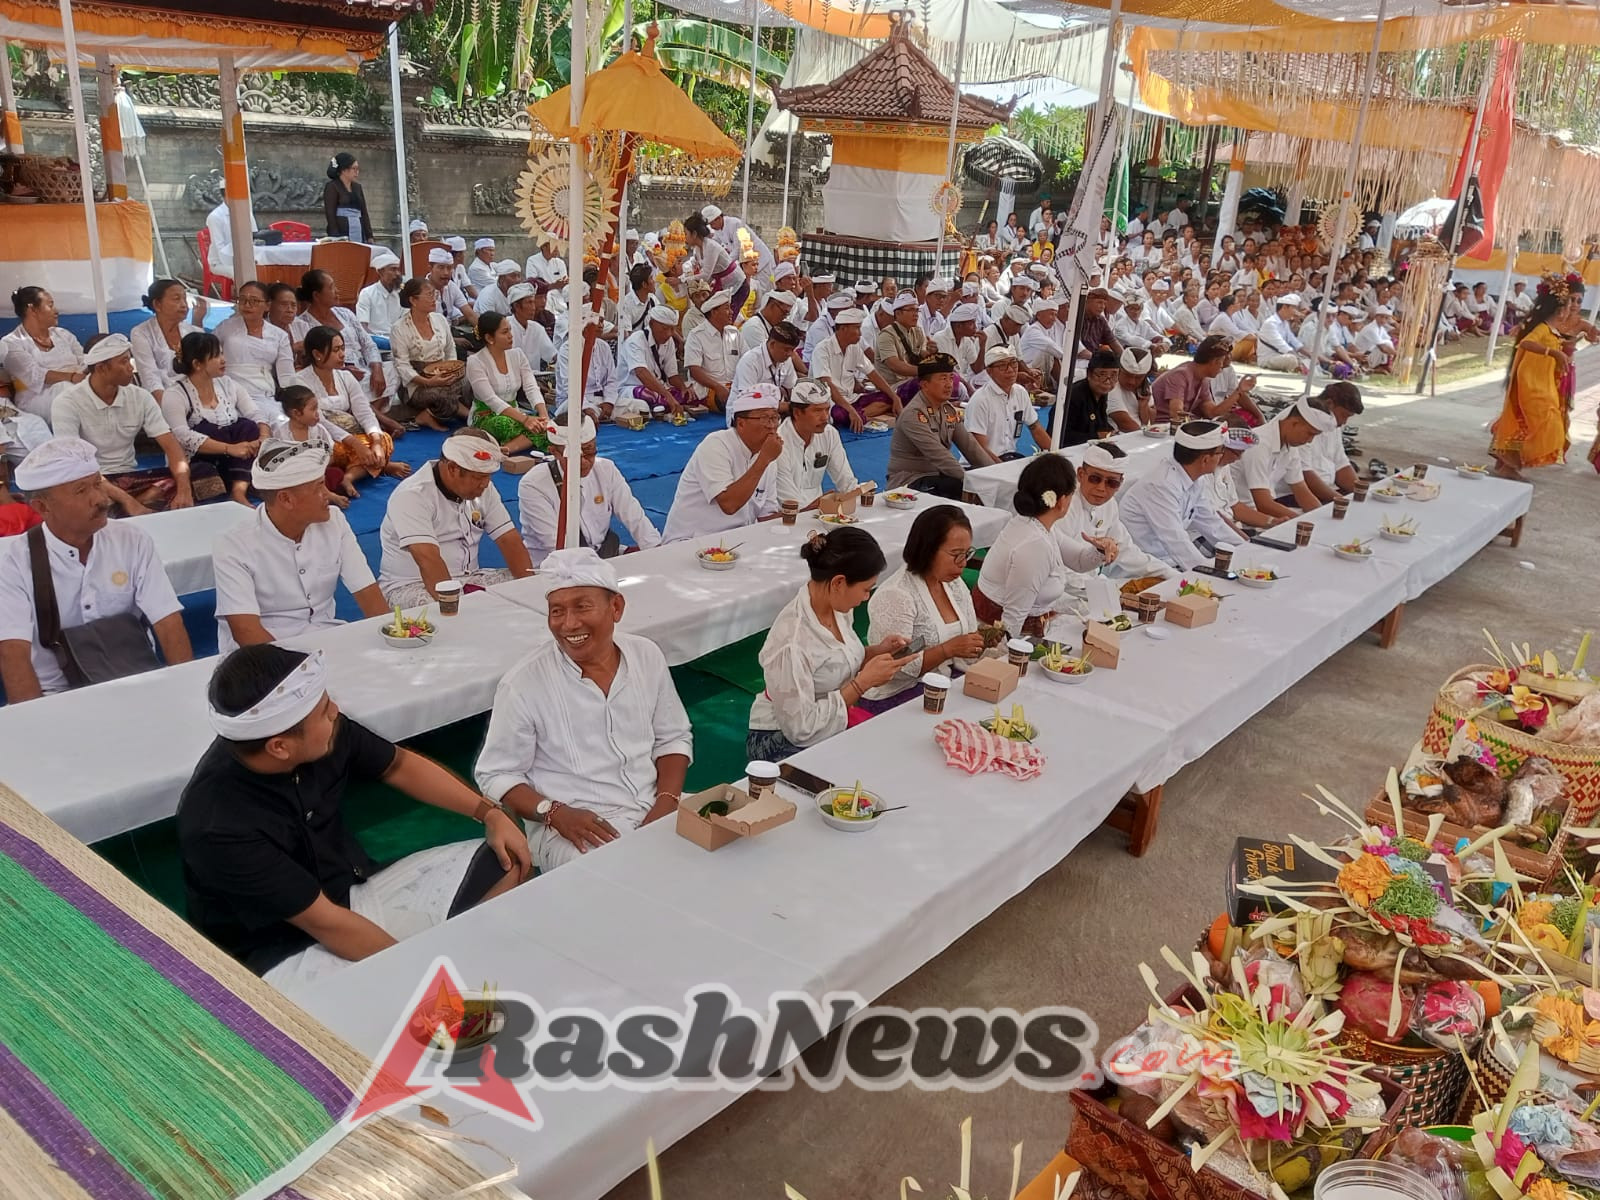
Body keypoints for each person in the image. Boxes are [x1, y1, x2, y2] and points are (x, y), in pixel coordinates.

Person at [178, 644, 532, 985]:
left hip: (349, 892)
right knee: (350, 1017)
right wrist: (424, 977)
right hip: (282, 951)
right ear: (280, 747)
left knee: (504, 860)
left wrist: (488, 812)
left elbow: (399, 765)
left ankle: (447, 961)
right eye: (323, 711)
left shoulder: (321, 730)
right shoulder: (217, 823)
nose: (335, 711)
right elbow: (326, 923)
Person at [473, 548, 691, 871]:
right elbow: (496, 774)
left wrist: (667, 803)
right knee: (622, 880)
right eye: (556, 611)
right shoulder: (522, 684)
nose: (568, 624)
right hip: (573, 830)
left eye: (582, 607)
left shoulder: (647, 656)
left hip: (655, 806)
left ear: (615, 608)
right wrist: (554, 812)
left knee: (724, 851)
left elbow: (673, 739)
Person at [0, 437, 191, 701]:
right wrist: (36, 722)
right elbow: (13, 652)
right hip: (56, 693)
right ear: (42, 507)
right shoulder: (14, 563)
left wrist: (183, 691)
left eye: (97, 484)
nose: (100, 499)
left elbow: (168, 621)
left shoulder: (132, 541)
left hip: (134, 675)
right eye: (81, 491)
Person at [746, 527, 907, 760]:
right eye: (865, 589)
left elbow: (836, 661)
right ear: (839, 583)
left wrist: (877, 652)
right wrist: (862, 683)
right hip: (779, 739)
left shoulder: (837, 607)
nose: (866, 597)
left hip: (826, 719)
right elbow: (800, 730)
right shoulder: (792, 641)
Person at [212, 439, 387, 653]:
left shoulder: (334, 521)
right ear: (286, 499)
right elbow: (246, 631)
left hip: (326, 638)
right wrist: (302, 672)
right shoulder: (234, 546)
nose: (328, 495)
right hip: (264, 656)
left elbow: (367, 591)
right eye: (319, 487)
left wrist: (392, 639)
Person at [52, 334, 219, 514]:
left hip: (131, 479)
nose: (131, 367)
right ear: (101, 368)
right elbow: (74, 464)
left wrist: (184, 490)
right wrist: (127, 500)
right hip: (92, 481)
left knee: (205, 472)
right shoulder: (67, 402)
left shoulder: (140, 396)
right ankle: (133, 506)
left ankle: (125, 509)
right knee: (79, 497)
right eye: (124, 362)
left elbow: (171, 446)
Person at [377, 428, 534, 606]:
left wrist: (529, 590)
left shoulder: (484, 488)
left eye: (489, 476)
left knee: (536, 584)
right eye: (479, 477)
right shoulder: (413, 496)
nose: (485, 483)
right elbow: (428, 559)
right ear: (452, 468)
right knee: (452, 612)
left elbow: (509, 540)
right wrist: (458, 610)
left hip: (470, 579)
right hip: (410, 586)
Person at [973, 454, 1113, 638]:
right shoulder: (1034, 544)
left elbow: (1079, 561)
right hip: (1009, 632)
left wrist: (1101, 550)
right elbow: (1012, 619)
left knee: (1103, 620)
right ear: (1062, 501)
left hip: (1033, 620)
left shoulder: (1036, 525)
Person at [863, 504, 985, 703]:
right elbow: (897, 667)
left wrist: (979, 642)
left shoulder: (953, 584)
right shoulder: (897, 595)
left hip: (944, 679)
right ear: (928, 550)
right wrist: (948, 649)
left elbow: (969, 632)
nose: (963, 562)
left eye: (967, 553)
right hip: (898, 693)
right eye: (956, 554)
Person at [518, 416, 659, 564]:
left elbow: (634, 517)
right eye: (574, 456)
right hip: (556, 565)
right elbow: (554, 544)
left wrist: (656, 550)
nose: (584, 461)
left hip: (602, 554)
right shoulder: (533, 485)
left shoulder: (606, 469)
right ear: (554, 452)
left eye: (589, 450)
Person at [161, 332, 272, 505]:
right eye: (216, 356)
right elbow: (181, 435)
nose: (223, 360)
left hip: (235, 455)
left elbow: (255, 413)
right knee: (206, 433)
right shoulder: (175, 394)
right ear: (197, 364)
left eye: (221, 353)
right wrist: (229, 448)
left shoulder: (228, 384)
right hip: (202, 460)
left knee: (247, 426)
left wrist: (263, 437)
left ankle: (238, 490)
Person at [661, 385, 782, 542]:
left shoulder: (767, 455)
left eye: (775, 418)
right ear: (741, 423)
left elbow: (767, 516)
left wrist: (807, 513)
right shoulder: (716, 445)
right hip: (691, 543)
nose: (772, 426)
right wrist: (763, 460)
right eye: (765, 418)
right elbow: (729, 504)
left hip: (737, 542)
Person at [1118, 419, 1240, 570]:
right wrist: (1204, 572)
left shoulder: (1195, 479)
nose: (1221, 456)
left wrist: (1245, 549)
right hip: (1143, 566)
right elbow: (1175, 540)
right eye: (1220, 452)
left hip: (1170, 560)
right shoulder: (1161, 485)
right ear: (1205, 459)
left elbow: (1211, 523)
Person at [294, 326, 406, 483]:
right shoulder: (300, 381)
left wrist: (377, 442)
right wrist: (356, 444)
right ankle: (377, 466)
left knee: (384, 438)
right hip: (325, 439)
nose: (342, 354)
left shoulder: (345, 376)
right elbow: (319, 421)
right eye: (335, 350)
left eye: (342, 348)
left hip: (353, 436)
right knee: (336, 451)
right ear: (317, 354)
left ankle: (353, 473)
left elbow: (364, 412)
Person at [1054, 442, 1173, 589]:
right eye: (1095, 479)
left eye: (1112, 483)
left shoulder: (1109, 505)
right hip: (1063, 591)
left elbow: (1128, 551)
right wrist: (1102, 590)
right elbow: (1059, 565)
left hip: (1094, 585)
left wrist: (1173, 575)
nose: (1101, 488)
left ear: (1121, 483)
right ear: (1080, 474)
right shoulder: (1064, 506)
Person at [1491, 278, 1576, 479]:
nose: (1571, 310)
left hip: (1542, 381)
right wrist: (1553, 353)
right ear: (1559, 309)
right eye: (1569, 305)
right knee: (1545, 423)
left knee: (1527, 424)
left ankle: (1509, 466)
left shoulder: (1551, 330)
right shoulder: (1542, 328)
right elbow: (1526, 343)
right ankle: (1511, 463)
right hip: (1532, 382)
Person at [290, 270, 391, 427]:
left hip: (364, 370)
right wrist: (342, 371)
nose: (337, 291)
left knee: (392, 369)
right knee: (349, 386)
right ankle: (374, 419)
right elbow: (310, 360)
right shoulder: (303, 324)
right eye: (331, 287)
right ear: (317, 295)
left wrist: (376, 369)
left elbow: (368, 343)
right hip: (336, 375)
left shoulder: (345, 313)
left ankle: (365, 417)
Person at [886, 353, 996, 498]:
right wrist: (969, 481)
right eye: (943, 378)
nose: (949, 384)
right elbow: (939, 455)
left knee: (987, 481)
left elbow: (971, 447)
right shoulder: (913, 414)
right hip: (911, 479)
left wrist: (995, 473)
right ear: (925, 385)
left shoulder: (947, 409)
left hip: (939, 474)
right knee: (961, 487)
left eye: (951, 378)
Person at [1230, 398, 1332, 523]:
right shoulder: (1259, 444)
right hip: (1246, 517)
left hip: (1267, 513)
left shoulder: (1290, 446)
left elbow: (1302, 491)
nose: (1310, 440)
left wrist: (1320, 517)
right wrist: (1302, 522)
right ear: (1294, 423)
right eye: (1310, 434)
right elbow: (1263, 504)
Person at [387, 278, 468, 431]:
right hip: (417, 384)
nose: (434, 299)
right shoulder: (399, 328)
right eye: (429, 295)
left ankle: (433, 414)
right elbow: (402, 366)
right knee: (441, 394)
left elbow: (450, 349)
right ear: (413, 300)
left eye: (434, 294)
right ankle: (469, 416)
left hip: (444, 374)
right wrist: (429, 382)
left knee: (471, 382)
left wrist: (452, 370)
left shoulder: (440, 320)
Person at [466, 312, 551, 455]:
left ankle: (505, 449)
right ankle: (525, 442)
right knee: (507, 424)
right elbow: (491, 400)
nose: (510, 335)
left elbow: (531, 387)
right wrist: (525, 420)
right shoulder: (475, 361)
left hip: (517, 414)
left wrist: (544, 417)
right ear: (489, 338)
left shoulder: (517, 355)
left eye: (510, 330)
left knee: (544, 426)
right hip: (485, 416)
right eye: (505, 332)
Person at [3, 286, 85, 421]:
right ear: (32, 309)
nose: (56, 311)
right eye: (50, 306)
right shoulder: (11, 343)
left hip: (77, 387)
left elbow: (84, 361)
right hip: (36, 399)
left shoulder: (64, 335)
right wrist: (72, 377)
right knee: (65, 390)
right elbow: (35, 375)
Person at [215, 281, 294, 418]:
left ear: (267, 305)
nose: (247, 305)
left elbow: (287, 376)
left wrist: (295, 399)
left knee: (278, 422)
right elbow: (208, 355)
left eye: (254, 301)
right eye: (243, 300)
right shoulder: (225, 327)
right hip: (228, 390)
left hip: (263, 394)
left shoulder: (279, 336)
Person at [774, 380, 859, 508]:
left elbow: (846, 481)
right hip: (786, 516)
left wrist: (858, 495)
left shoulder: (829, 433)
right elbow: (787, 501)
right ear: (797, 413)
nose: (825, 417)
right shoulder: (778, 442)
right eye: (818, 411)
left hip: (818, 510)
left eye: (827, 410)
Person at [964, 347, 1050, 461]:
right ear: (989, 372)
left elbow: (1035, 427)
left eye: (1013, 363)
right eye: (1002, 366)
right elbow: (980, 449)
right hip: (982, 462)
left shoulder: (1020, 392)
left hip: (1009, 457)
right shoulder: (980, 400)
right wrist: (1004, 469)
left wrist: (1056, 454)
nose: (1010, 370)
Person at [1286, 382, 1362, 505]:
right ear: (1329, 404)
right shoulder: (1303, 422)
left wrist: (1363, 493)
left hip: (1328, 490)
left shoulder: (1334, 424)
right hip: (1296, 494)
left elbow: (1341, 464)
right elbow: (1305, 474)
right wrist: (1341, 501)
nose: (1344, 422)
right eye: (1343, 415)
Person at [129, 278, 201, 402]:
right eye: (176, 299)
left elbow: (204, 372)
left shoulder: (194, 332)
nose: (184, 305)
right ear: (157, 304)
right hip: (161, 398)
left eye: (185, 298)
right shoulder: (141, 333)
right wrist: (169, 409)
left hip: (196, 396)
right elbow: (150, 377)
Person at [620, 305, 689, 415]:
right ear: (652, 324)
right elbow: (642, 373)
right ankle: (666, 404)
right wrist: (667, 396)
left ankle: (666, 404)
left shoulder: (669, 341)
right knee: (650, 395)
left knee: (690, 394)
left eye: (672, 329)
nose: (669, 334)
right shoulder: (635, 341)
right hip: (633, 388)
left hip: (661, 388)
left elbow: (672, 375)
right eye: (665, 329)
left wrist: (683, 388)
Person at [684, 289, 739, 412]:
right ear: (714, 312)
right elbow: (694, 371)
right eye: (726, 308)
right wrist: (717, 387)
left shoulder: (734, 333)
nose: (731, 312)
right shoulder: (696, 335)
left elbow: (746, 362)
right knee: (735, 404)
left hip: (735, 387)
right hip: (710, 389)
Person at [730, 319, 803, 405]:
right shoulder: (750, 361)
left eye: (792, 350)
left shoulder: (786, 359)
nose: (790, 354)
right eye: (786, 349)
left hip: (773, 410)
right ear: (772, 344)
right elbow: (747, 400)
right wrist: (782, 407)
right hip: (747, 413)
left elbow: (792, 389)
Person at [1057, 349, 1119, 446]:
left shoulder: (1101, 393)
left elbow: (1100, 424)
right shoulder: (1072, 397)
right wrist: (1096, 436)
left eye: (1114, 375)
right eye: (1102, 375)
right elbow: (1060, 435)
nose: (1108, 381)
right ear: (1089, 374)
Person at [876, 294, 931, 390]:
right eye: (910, 310)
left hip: (912, 380)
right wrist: (925, 370)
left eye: (916, 310)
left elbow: (923, 354)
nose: (915, 314)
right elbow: (895, 365)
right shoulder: (886, 335)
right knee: (924, 385)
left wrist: (931, 352)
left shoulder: (917, 331)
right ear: (898, 314)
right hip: (892, 387)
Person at [204, 191, 254, 283]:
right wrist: (237, 263)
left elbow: (253, 237)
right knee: (240, 273)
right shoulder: (215, 217)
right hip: (219, 263)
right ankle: (243, 296)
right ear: (226, 195)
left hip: (243, 260)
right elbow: (219, 246)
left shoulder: (246, 212)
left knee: (261, 268)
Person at [322, 152, 372, 243]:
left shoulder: (357, 187)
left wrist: (369, 235)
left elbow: (364, 212)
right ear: (344, 170)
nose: (357, 172)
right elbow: (330, 214)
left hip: (358, 229)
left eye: (358, 169)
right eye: (354, 169)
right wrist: (336, 236)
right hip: (342, 232)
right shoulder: (333, 187)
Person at [355, 251, 404, 338]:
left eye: (398, 270)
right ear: (381, 272)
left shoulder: (401, 294)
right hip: (375, 341)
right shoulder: (367, 293)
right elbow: (362, 326)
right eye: (393, 269)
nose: (397, 274)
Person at [1107, 347, 1153, 432]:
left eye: (1138, 378)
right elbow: (1125, 424)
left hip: (1140, 434)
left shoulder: (1145, 385)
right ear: (1119, 370)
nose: (1131, 382)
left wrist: (1143, 406)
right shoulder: (1110, 385)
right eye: (1127, 375)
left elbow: (1151, 421)